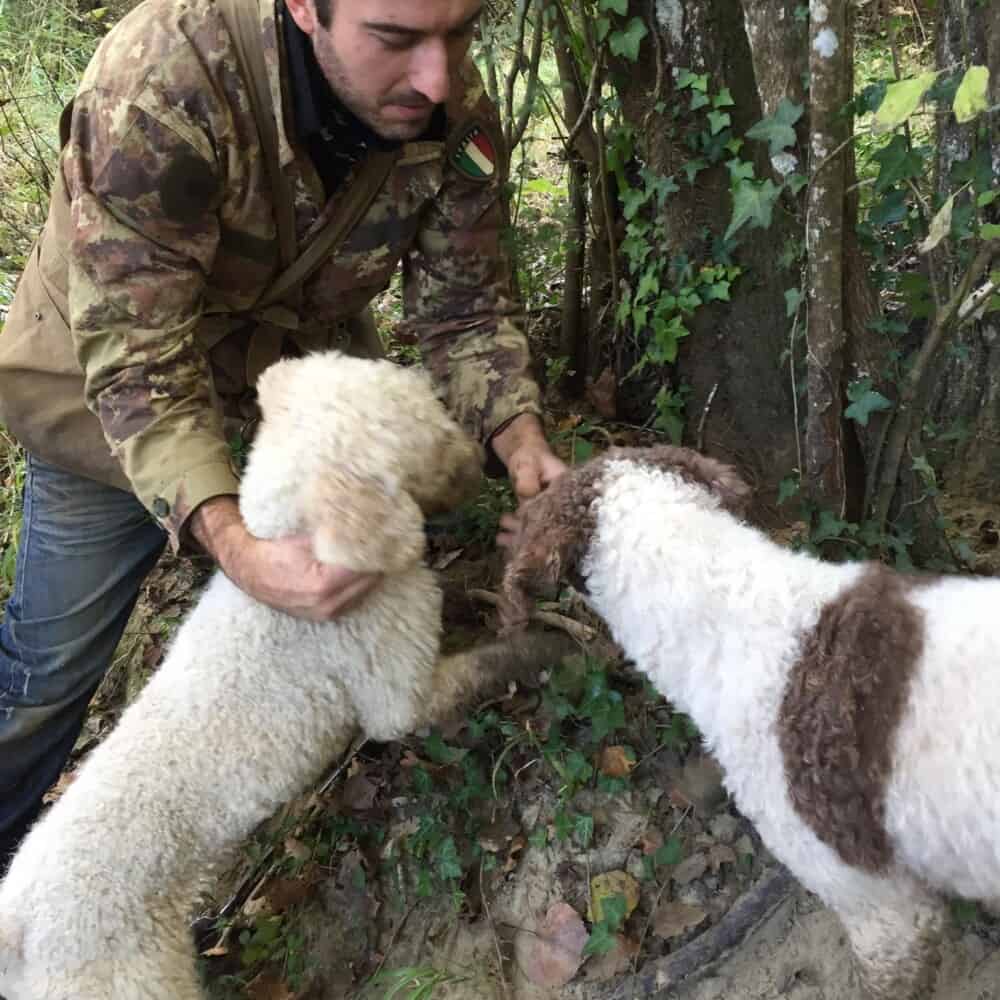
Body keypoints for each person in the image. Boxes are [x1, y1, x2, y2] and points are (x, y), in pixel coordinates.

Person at [0, 0, 566, 869]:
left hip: (295, 383)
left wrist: (521, 440)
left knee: (378, 555)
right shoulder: (159, 83)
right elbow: (138, 357)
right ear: (305, 6)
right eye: (396, 39)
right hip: (104, 402)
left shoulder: (446, 103)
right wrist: (237, 545)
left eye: (462, 32)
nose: (439, 77)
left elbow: (465, 309)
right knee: (47, 673)